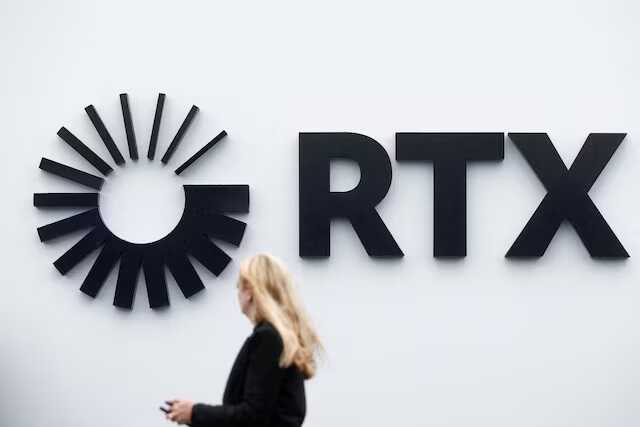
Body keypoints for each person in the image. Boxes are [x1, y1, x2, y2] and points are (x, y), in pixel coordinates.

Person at [165, 252, 324, 427]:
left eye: (238, 286)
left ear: (249, 292)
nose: (238, 293)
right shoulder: (281, 337)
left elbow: (252, 415)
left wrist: (194, 413)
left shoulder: (268, 338)